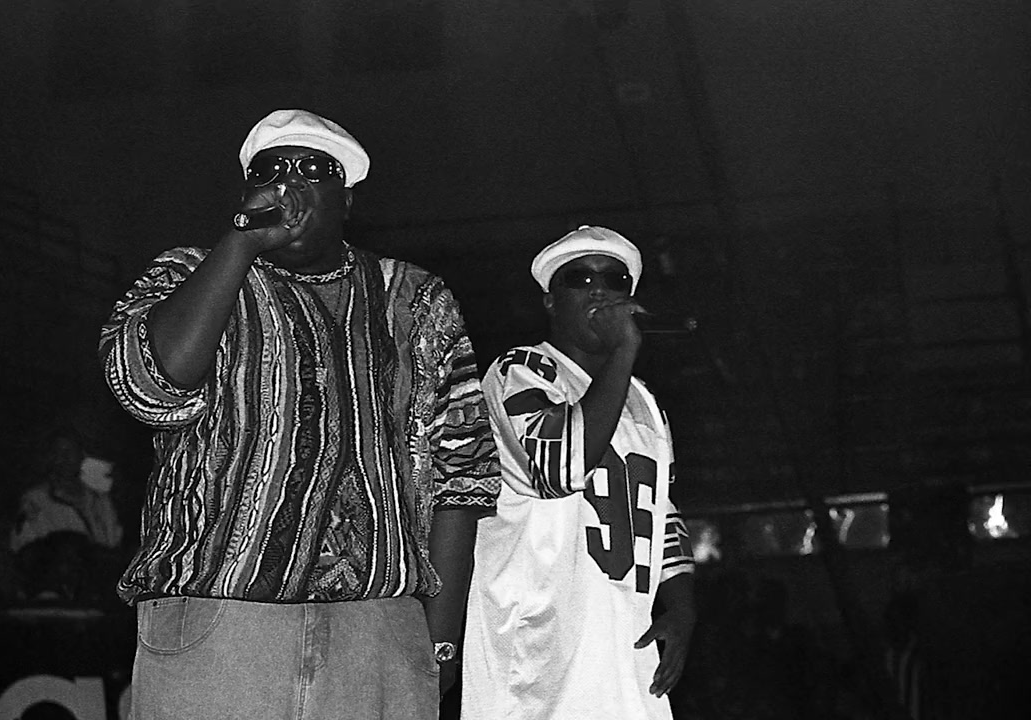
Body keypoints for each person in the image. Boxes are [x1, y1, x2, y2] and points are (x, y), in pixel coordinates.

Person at [99, 108, 500, 719]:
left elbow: (464, 474)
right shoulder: (188, 272)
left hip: (378, 629)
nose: (288, 181)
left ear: (347, 198)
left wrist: (440, 641)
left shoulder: (417, 299)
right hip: (220, 622)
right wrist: (240, 242)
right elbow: (147, 387)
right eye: (270, 170)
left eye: (314, 169)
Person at [462, 226, 697, 720]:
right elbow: (559, 467)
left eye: (614, 280)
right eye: (580, 279)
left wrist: (681, 604)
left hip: (625, 642)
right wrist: (624, 351)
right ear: (551, 301)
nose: (598, 290)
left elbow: (663, 508)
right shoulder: (519, 372)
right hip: (540, 648)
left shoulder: (643, 399)